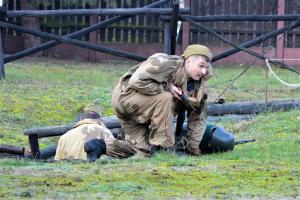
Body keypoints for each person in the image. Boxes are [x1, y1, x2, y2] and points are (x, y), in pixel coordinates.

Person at [111, 44, 213, 156]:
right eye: (201, 66)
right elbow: (136, 81)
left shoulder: (198, 87)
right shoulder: (165, 63)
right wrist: (168, 87)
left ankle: (110, 144)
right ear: (188, 61)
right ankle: (163, 147)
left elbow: (198, 118)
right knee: (166, 97)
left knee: (142, 152)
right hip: (126, 99)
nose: (203, 71)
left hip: (141, 115)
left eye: (206, 68)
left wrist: (193, 148)